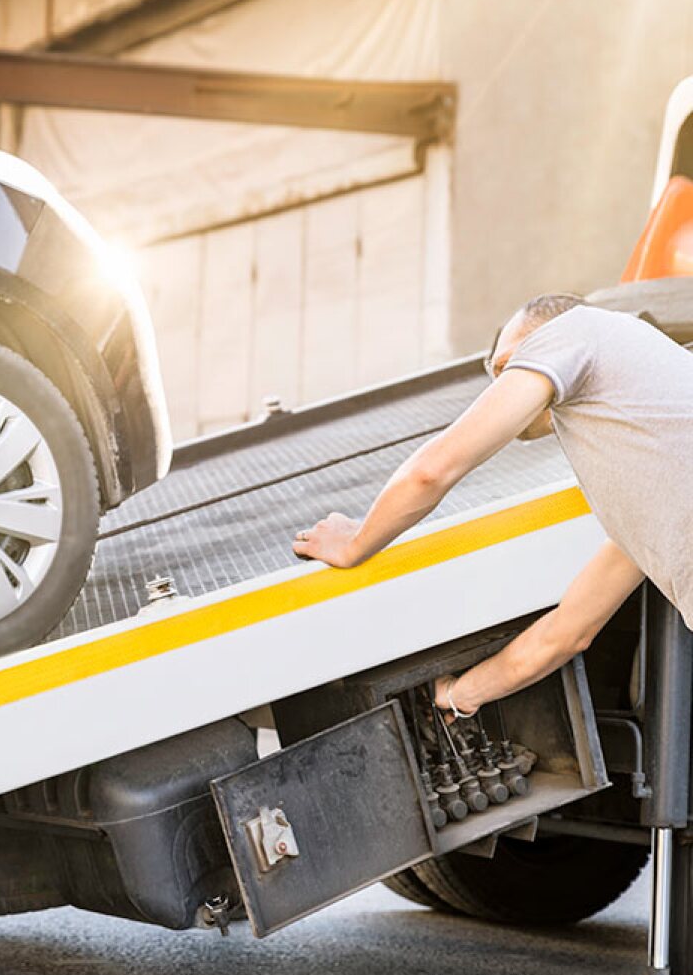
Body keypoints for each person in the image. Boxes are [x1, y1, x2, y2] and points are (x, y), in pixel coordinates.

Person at [292, 294, 693, 719]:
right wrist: (461, 694)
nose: (500, 382)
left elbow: (436, 468)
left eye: (508, 365)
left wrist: (356, 540)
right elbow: (568, 632)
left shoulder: (579, 330)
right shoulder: (644, 493)